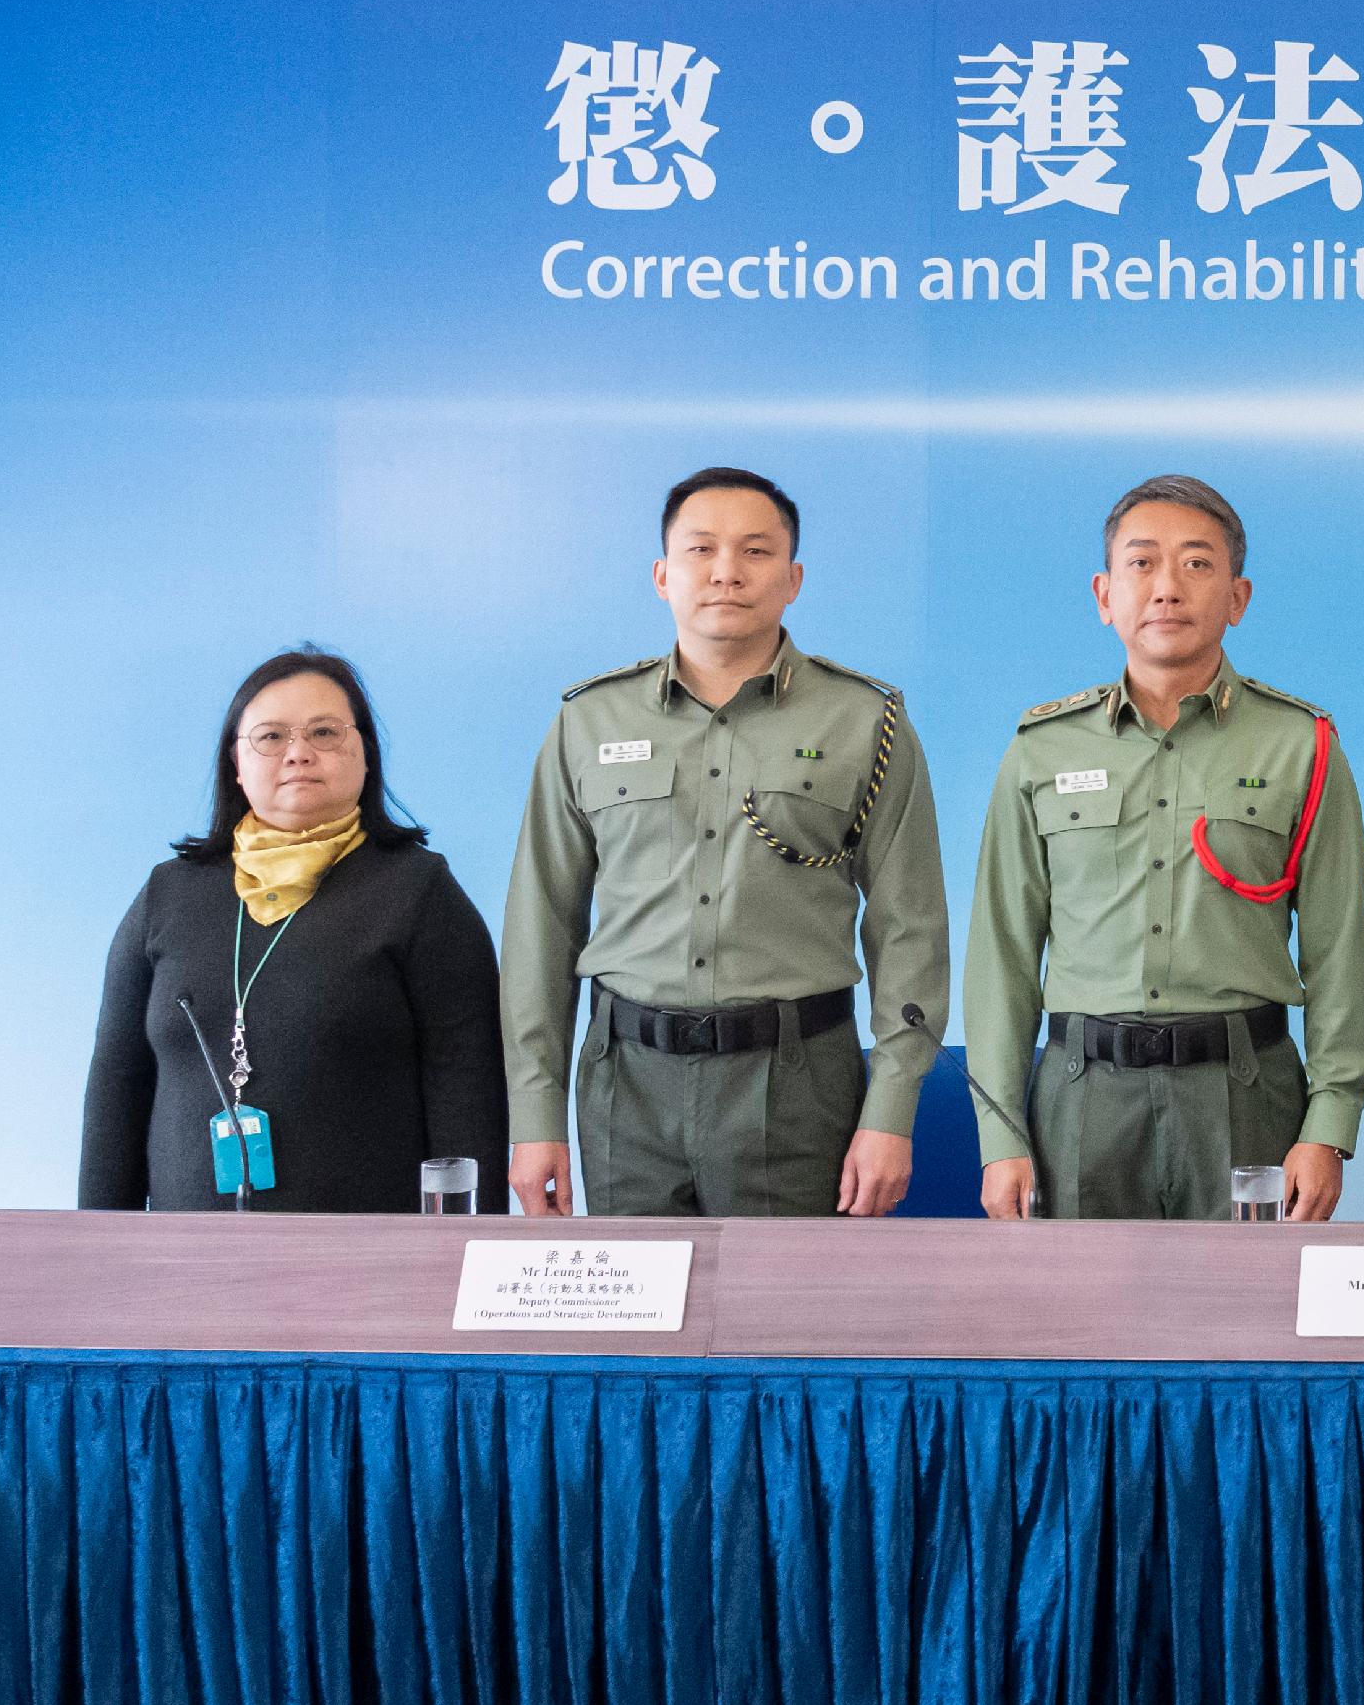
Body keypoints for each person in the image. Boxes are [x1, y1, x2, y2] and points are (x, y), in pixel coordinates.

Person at [499, 467, 950, 1218]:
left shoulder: (866, 720)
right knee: (636, 1296)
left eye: (756, 551)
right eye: (701, 549)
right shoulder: (589, 720)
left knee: (789, 1295)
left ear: (793, 578)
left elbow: (911, 927)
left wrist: (891, 1111)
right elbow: (540, 925)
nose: (726, 572)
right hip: (626, 1084)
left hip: (797, 1080)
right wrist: (535, 1115)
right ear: (662, 575)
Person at [965, 475, 1364, 1220]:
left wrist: (1329, 1128)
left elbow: (1339, 949)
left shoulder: (1302, 745)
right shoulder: (1041, 749)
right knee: (1080, 1297)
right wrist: (1000, 1135)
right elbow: (1003, 953)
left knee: (1247, 1297)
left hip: (1245, 1095)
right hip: (1081, 1099)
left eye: (1196, 563)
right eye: (1142, 562)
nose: (1167, 588)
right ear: (1104, 594)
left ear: (1238, 597)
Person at [81, 650, 506, 1212]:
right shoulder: (168, 893)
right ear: (236, 762)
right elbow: (116, 1084)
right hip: (183, 1254)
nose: (298, 753)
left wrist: (465, 1243)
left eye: (324, 733)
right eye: (271, 737)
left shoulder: (421, 893)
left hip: (370, 1252)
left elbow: (468, 1095)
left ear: (366, 754)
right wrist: (98, 1245)